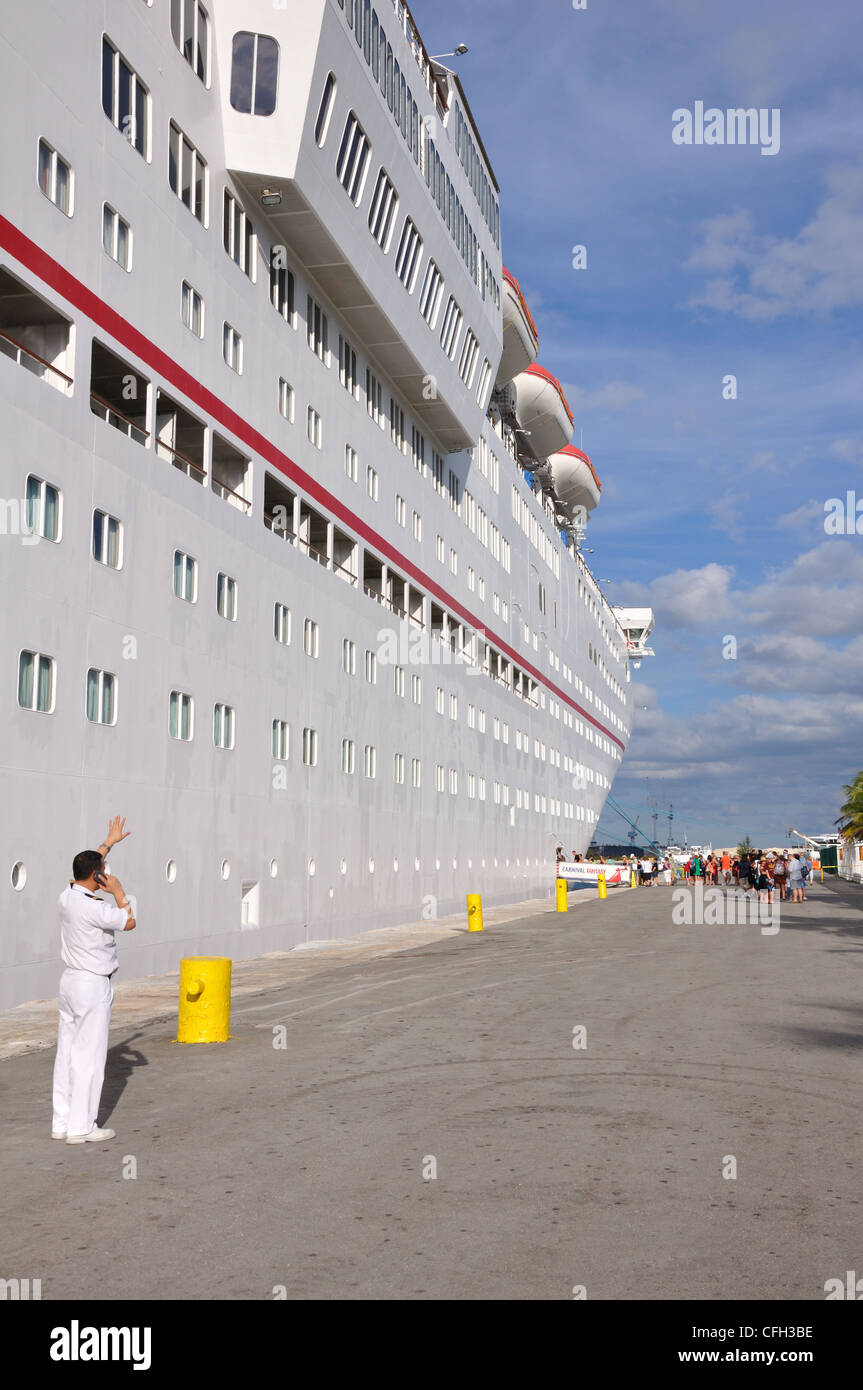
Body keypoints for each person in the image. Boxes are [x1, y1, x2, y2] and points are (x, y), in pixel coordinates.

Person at [52, 817, 135, 1144]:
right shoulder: (96, 909)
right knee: (90, 1056)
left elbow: (87, 866)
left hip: (69, 983)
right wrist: (119, 891)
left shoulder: (67, 896)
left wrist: (108, 842)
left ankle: (61, 1121)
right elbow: (129, 922)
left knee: (67, 1054)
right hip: (92, 985)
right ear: (98, 876)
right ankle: (82, 1127)